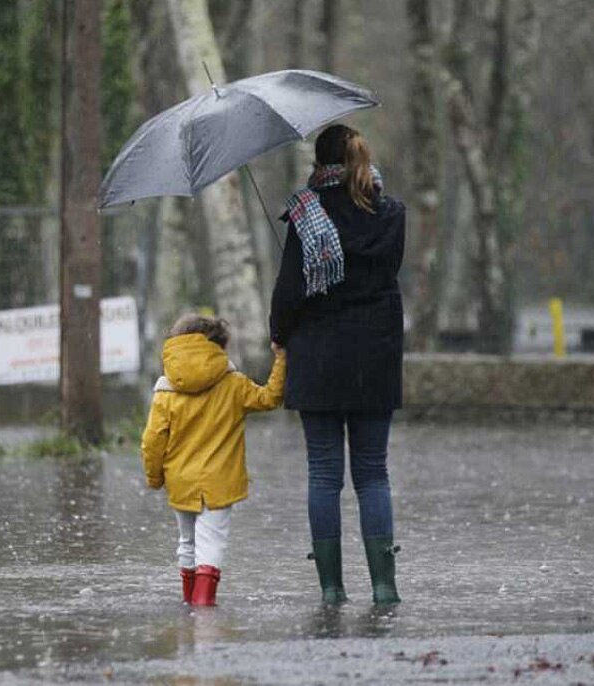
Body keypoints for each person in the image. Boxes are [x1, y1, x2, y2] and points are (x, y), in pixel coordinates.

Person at [270, 124, 405, 605]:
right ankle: (384, 586)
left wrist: (278, 333)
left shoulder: (306, 215)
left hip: (320, 358)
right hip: (376, 356)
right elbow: (385, 275)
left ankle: (331, 588)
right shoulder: (391, 214)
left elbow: (290, 293)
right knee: (373, 473)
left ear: (319, 163)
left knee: (325, 474)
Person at [141, 314, 286, 607]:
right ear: (218, 346)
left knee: (187, 542)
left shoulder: (165, 391)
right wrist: (281, 359)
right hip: (219, 480)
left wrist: (155, 477)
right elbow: (270, 398)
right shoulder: (233, 384)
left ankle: (189, 603)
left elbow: (153, 440)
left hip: (180, 480)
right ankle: (204, 605)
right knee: (212, 543)